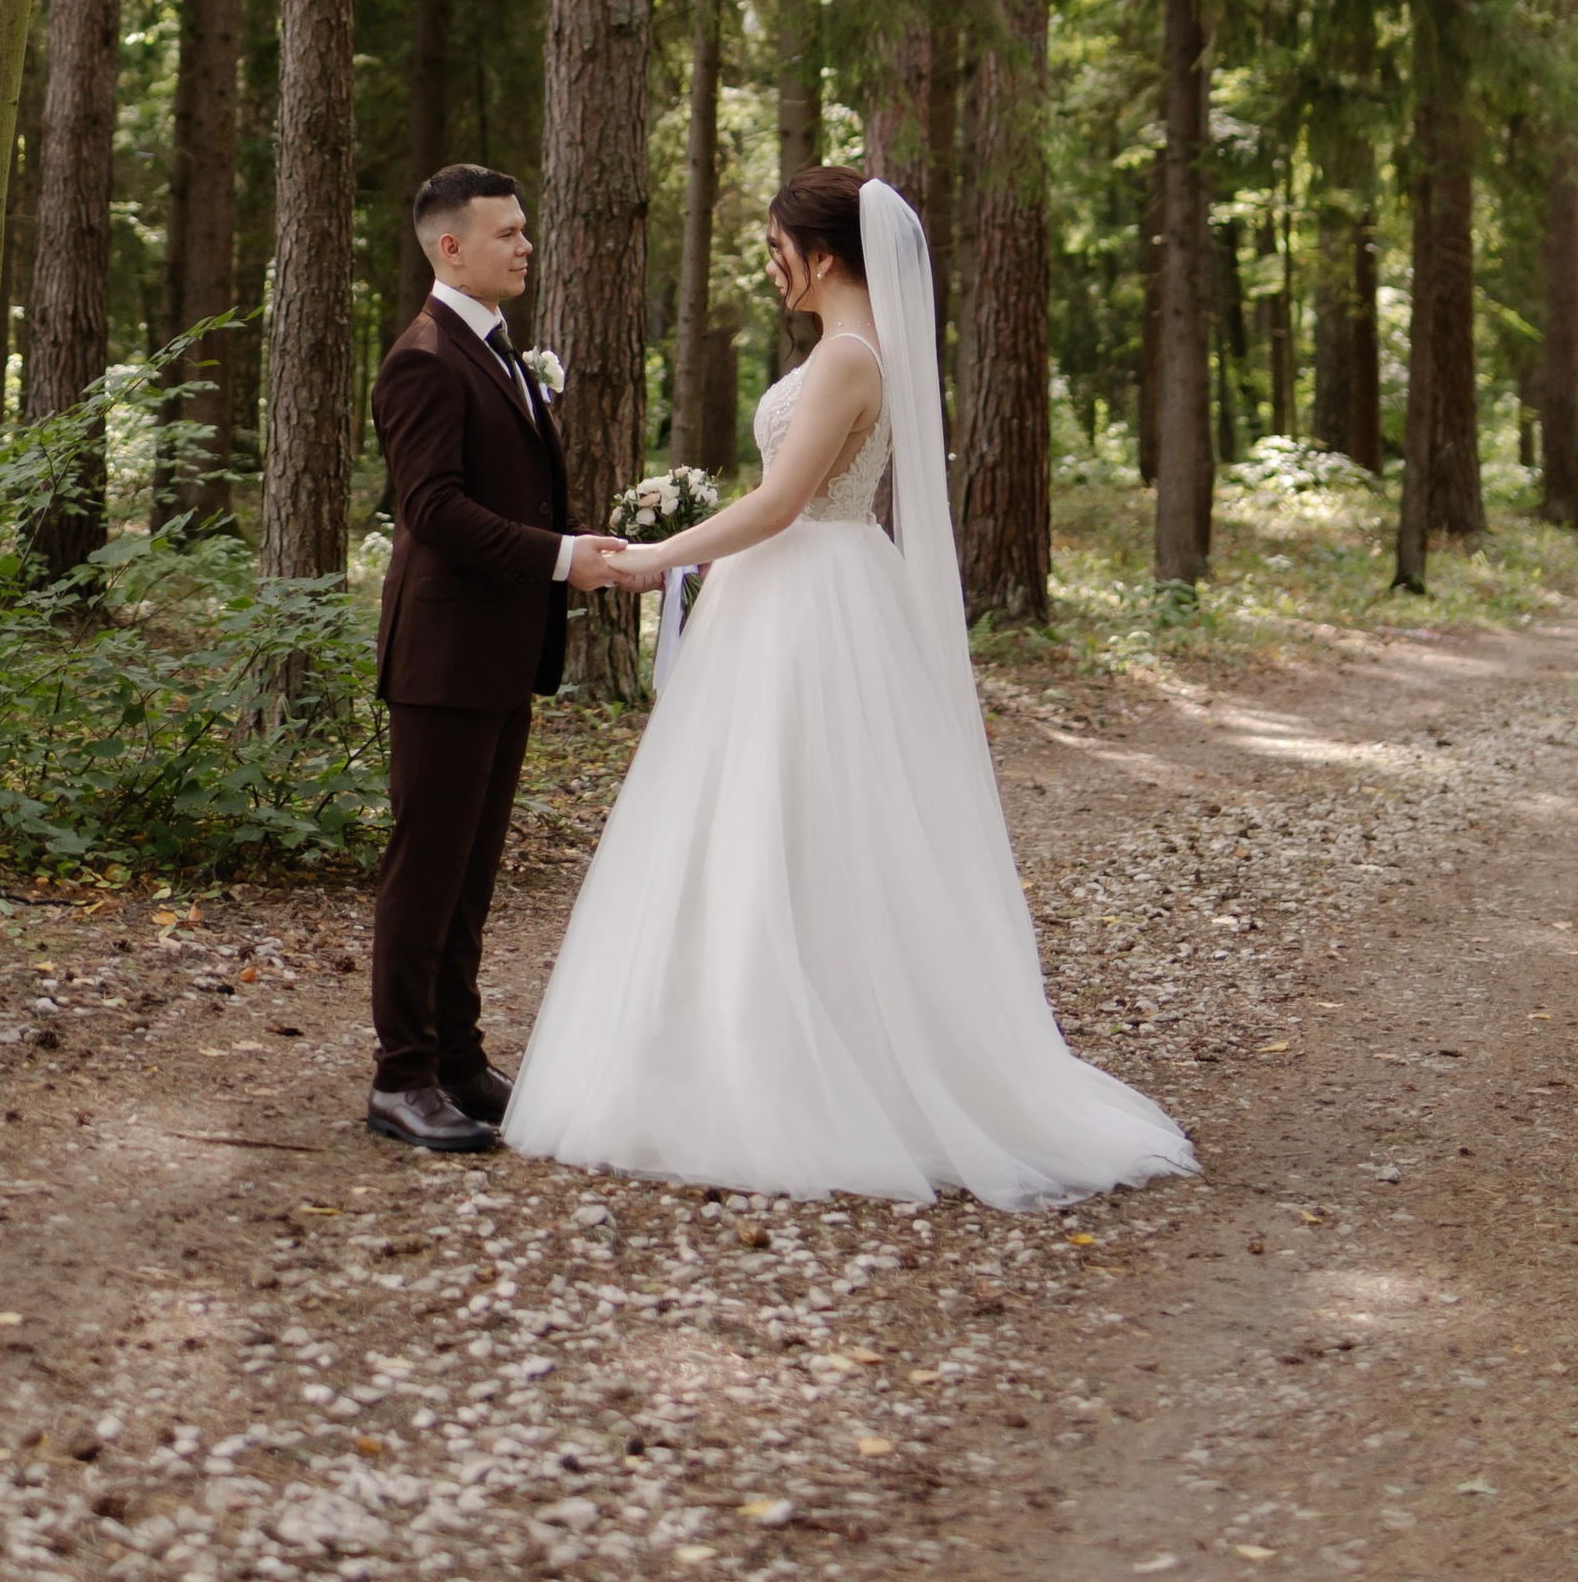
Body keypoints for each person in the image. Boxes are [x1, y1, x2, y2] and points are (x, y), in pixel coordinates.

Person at [502, 166, 1197, 1207]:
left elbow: (784, 505)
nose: (771, 266)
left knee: (794, 824)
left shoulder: (846, 360)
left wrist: (659, 556)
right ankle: (737, 1046)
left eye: (778, 248)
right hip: (808, 592)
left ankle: (804, 1071)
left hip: (810, 599)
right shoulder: (856, 354)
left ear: (822, 253)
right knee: (768, 823)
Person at [365, 164, 635, 1154]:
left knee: (473, 869)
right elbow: (431, 510)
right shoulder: (424, 359)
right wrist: (564, 558)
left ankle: (457, 1060)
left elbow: (508, 495)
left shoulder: (497, 353)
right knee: (426, 871)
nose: (525, 246)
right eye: (507, 233)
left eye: (524, 230)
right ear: (449, 248)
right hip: (442, 655)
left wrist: (584, 550)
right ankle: (400, 1078)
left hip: (498, 649)